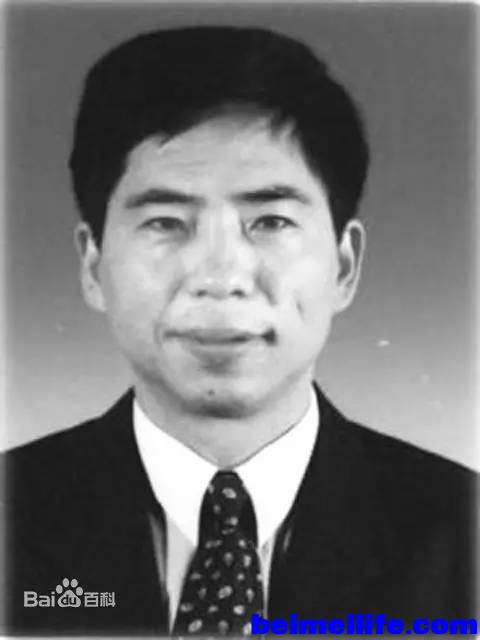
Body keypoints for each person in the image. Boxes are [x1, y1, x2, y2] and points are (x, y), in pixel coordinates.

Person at [3, 26, 477, 636]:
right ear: (94, 266)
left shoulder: (463, 533)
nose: (221, 277)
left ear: (344, 266)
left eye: (270, 221)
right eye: (166, 222)